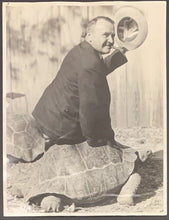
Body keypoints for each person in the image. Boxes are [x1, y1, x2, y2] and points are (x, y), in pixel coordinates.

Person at [32, 16, 128, 150]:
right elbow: (91, 108)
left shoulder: (82, 50)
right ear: (90, 36)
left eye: (113, 35)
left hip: (46, 115)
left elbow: (96, 72)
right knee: (104, 141)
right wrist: (100, 140)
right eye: (105, 35)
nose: (111, 41)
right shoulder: (89, 63)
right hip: (58, 128)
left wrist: (120, 53)